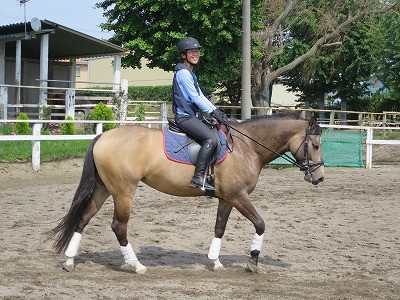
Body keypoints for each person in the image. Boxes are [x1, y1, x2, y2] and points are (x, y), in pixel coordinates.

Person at [172, 37, 228, 191]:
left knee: (216, 133)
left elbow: (201, 95)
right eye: (192, 51)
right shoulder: (183, 73)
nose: (195, 54)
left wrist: (216, 111)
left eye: (197, 51)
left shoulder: (190, 73)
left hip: (192, 116)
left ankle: (211, 175)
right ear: (183, 55)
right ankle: (198, 177)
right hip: (184, 117)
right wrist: (213, 111)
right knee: (210, 139)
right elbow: (195, 98)